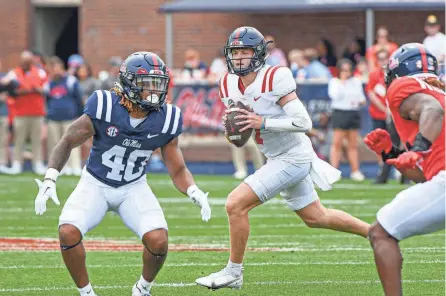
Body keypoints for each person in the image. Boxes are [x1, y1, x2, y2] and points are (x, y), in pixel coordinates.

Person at [195, 26, 370, 290]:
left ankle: (233, 272)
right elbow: (241, 126)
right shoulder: (227, 83)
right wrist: (238, 127)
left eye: (246, 51)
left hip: (293, 156)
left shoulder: (275, 77)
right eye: (236, 52)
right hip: (275, 155)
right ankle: (376, 233)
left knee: (235, 204)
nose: (240, 57)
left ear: (259, 54)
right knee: (316, 217)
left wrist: (261, 122)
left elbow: (303, 121)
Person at [33, 51, 212, 296]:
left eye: (158, 84)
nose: (154, 91)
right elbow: (67, 140)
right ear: (128, 84)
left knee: (159, 240)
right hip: (95, 183)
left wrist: (193, 190)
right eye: (146, 84)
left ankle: (142, 289)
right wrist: (50, 178)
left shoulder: (167, 118)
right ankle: (86, 293)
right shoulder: (105, 105)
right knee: (68, 232)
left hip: (133, 186)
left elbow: (177, 166)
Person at [364, 43, 445, 296]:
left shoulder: (403, 87)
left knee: (381, 233)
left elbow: (434, 110)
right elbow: (424, 177)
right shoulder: (438, 90)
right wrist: (392, 153)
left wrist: (418, 149)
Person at [45, 56, 84, 176]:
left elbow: (79, 99)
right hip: (53, 118)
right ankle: (60, 168)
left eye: (55, 67)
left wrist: (79, 115)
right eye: (51, 68)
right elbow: (47, 100)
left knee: (72, 143)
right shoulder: (48, 83)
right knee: (56, 144)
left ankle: (75, 166)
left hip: (70, 118)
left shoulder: (71, 81)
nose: (54, 70)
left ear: (61, 67)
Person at [328, 59, 366, 181]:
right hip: (340, 112)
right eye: (344, 70)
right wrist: (342, 82)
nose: (346, 72)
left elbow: (362, 98)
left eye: (348, 70)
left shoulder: (356, 81)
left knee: (352, 144)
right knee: (337, 143)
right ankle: (334, 171)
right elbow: (335, 96)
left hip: (353, 112)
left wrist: (358, 101)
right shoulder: (334, 82)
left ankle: (355, 171)